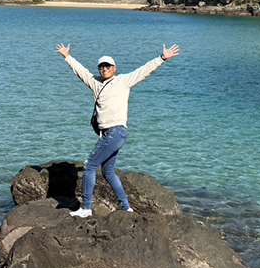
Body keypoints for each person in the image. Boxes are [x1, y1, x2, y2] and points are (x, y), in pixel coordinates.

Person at [55, 42, 180, 217]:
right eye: (101, 66)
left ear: (114, 68)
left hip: (116, 131)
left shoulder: (122, 81)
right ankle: (126, 207)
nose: (104, 69)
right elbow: (81, 71)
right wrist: (67, 57)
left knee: (89, 166)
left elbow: (144, 71)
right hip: (108, 134)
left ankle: (86, 208)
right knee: (107, 171)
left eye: (107, 66)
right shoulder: (96, 83)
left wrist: (161, 58)